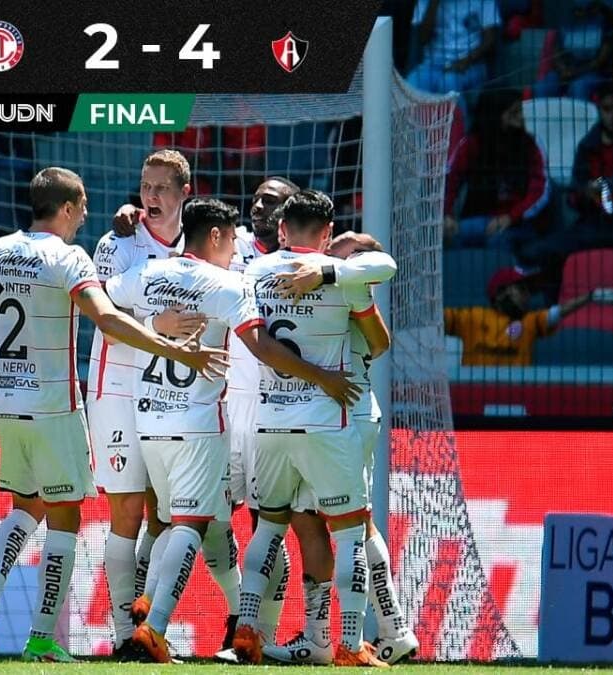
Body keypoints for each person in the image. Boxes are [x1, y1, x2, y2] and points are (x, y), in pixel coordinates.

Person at [0, 167, 228, 663]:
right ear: (64, 208)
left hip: (4, 406)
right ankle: (43, 638)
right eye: (80, 207)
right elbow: (107, 319)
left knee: (24, 507)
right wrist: (171, 346)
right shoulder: (68, 257)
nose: (85, 216)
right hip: (54, 407)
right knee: (65, 520)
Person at [109, 198, 360, 663]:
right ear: (218, 236)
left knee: (181, 523)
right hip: (199, 424)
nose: (233, 252)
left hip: (150, 422)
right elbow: (262, 346)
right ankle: (155, 627)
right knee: (191, 524)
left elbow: (105, 299)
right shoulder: (226, 284)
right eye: (230, 241)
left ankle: (160, 605)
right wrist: (321, 376)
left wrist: (151, 322)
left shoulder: (146, 273)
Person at [231, 189, 392, 667]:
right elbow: (378, 339)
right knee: (349, 532)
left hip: (270, 422)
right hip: (326, 421)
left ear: (282, 230)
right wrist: (330, 274)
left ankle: (247, 627)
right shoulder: (344, 278)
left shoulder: (253, 273)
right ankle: (350, 644)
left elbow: (256, 340)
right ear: (328, 233)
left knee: (268, 528)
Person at [261, 232, 419, 666]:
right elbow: (380, 343)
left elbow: (381, 331)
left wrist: (331, 272)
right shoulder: (345, 290)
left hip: (338, 415)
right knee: (357, 521)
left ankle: (323, 637)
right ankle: (393, 627)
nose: (328, 254)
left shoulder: (347, 285)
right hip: (350, 413)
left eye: (340, 251)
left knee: (313, 519)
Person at [88, 150, 206, 655]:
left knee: (167, 514)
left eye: (161, 188)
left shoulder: (195, 245)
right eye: (145, 186)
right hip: (116, 389)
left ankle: (145, 625)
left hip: (167, 394)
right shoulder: (117, 243)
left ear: (184, 193)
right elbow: (104, 319)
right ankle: (122, 636)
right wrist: (158, 325)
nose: (150, 196)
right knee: (127, 511)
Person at [520, 79, 613, 271]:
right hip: (595, 223)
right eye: (607, 109)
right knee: (537, 252)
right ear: (599, 109)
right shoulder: (587, 147)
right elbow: (574, 196)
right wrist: (586, 192)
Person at [445, 266, 613, 366]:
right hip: (475, 395)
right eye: (521, 289)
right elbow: (439, 319)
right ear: (500, 293)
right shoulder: (472, 316)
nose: (527, 295)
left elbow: (556, 313)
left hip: (516, 397)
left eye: (529, 291)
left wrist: (588, 297)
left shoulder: (529, 321)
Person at [443, 89, 550, 251]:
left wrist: (510, 217)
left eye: (520, 111)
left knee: (497, 241)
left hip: (519, 223)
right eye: (514, 113)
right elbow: (449, 181)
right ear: (495, 116)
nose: (521, 117)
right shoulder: (471, 143)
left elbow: (540, 191)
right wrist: (446, 214)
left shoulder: (530, 144)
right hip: (479, 218)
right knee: (450, 235)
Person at [531, 0, 613, 101]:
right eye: (578, 10)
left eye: (583, 10)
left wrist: (577, 72)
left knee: (578, 87)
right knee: (542, 87)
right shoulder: (567, 19)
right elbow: (556, 51)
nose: (579, 13)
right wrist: (563, 69)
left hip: (595, 72)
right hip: (565, 71)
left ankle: (578, 111)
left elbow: (600, 60)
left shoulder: (608, 20)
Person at [408, 0, 500, 97]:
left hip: (471, 65)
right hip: (432, 65)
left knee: (449, 83)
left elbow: (490, 40)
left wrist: (467, 60)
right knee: (410, 87)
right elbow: (422, 39)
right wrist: (433, 3)